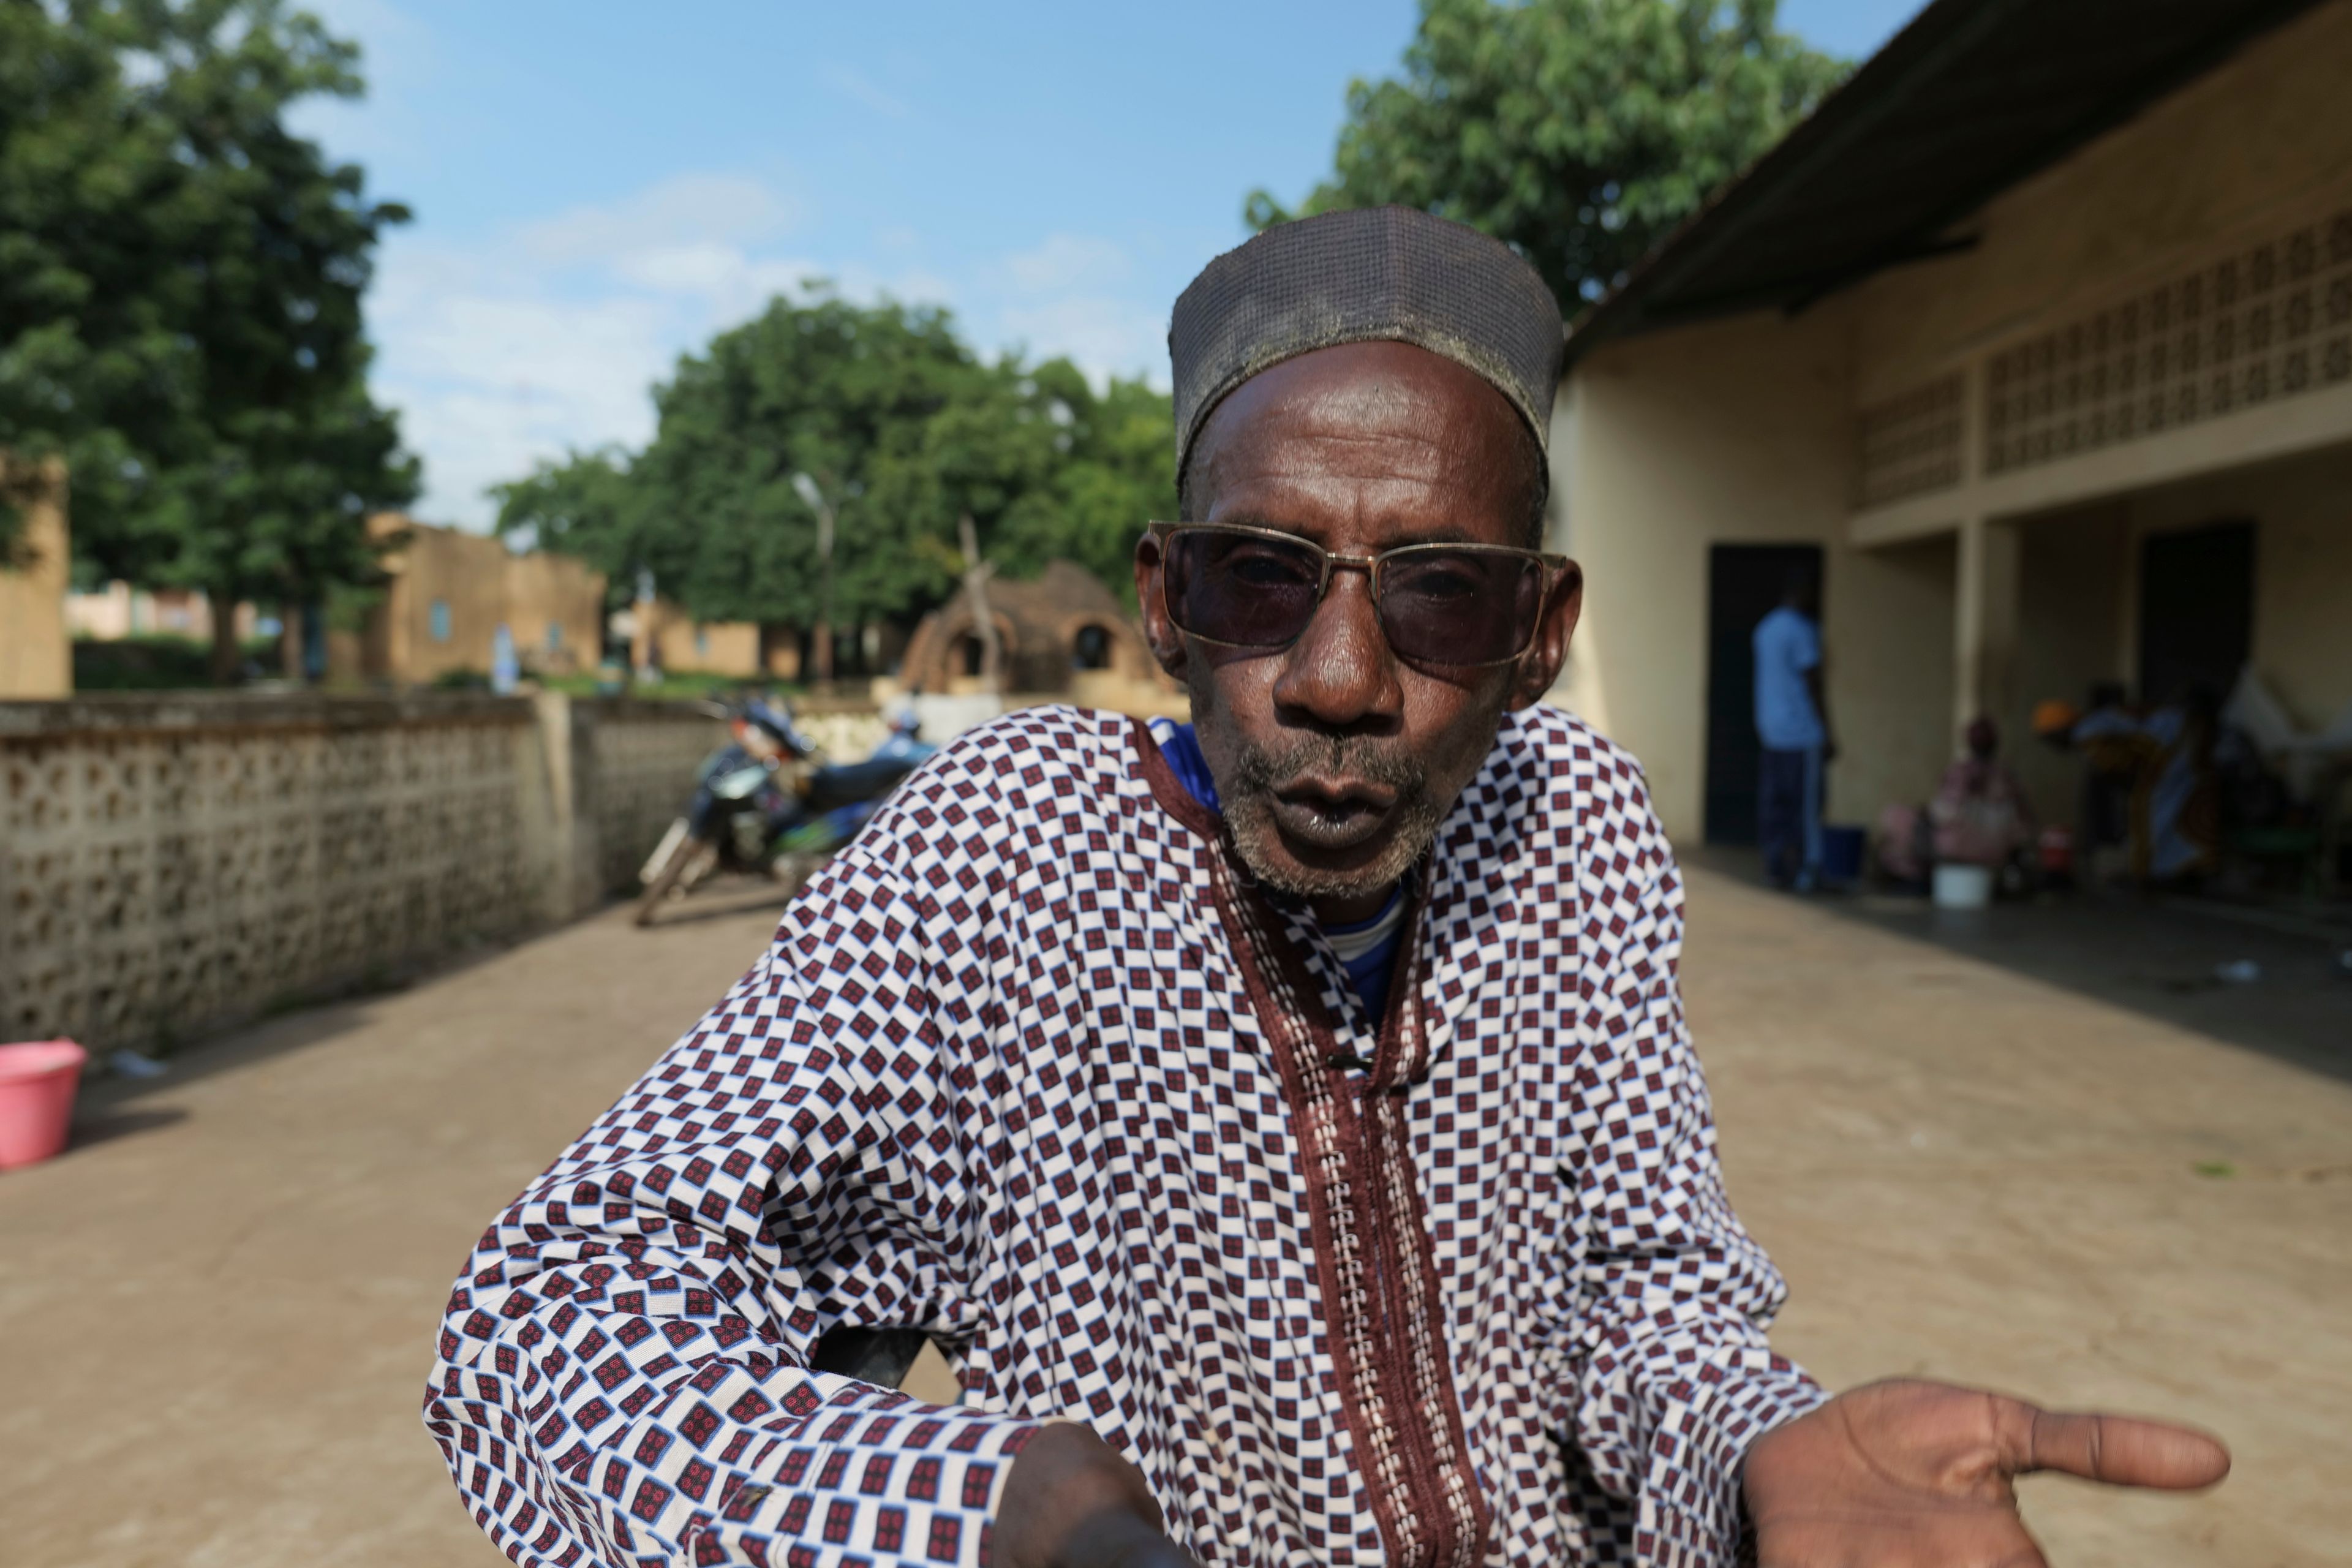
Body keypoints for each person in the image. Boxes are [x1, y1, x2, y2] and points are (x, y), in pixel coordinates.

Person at [426, 207, 2226, 1568]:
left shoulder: (1577, 828)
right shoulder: (1005, 853)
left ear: (1537, 631)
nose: (1340, 675)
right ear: (1161, 603)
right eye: (1257, 577)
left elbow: (1634, 1293)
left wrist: (1759, 1453)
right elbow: (543, 1316)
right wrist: (971, 1504)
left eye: (1435, 590)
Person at [1752, 571, 1831, 889]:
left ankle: (1776, 869)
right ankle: (1807, 872)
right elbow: (1814, 683)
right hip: (1802, 735)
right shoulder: (1802, 630)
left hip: (1770, 732)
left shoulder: (1765, 629)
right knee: (1807, 809)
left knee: (1776, 806)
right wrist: (1828, 731)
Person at [1929, 716, 2036, 870]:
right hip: (1997, 850)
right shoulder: (2005, 776)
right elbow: (2026, 827)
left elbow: (1940, 814)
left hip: (1966, 849)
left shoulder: (1963, 773)